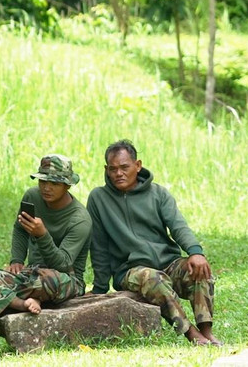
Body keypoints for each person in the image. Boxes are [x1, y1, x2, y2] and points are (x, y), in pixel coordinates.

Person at [87, 139, 221, 346]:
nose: (118, 173)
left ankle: (207, 330)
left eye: (125, 167)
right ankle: (191, 334)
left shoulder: (158, 193)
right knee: (153, 278)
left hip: (168, 263)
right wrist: (100, 287)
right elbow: (98, 245)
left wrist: (195, 252)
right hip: (131, 270)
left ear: (138, 165)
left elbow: (178, 226)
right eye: (113, 169)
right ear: (106, 169)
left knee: (199, 269)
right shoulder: (98, 198)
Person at [0, 154, 91, 325]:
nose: (47, 188)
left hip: (64, 279)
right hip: (29, 275)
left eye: (54, 183)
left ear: (67, 186)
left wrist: (42, 235)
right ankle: (22, 303)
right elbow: (20, 229)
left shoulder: (80, 219)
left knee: (47, 279)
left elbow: (63, 264)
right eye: (42, 181)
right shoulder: (32, 196)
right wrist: (17, 259)